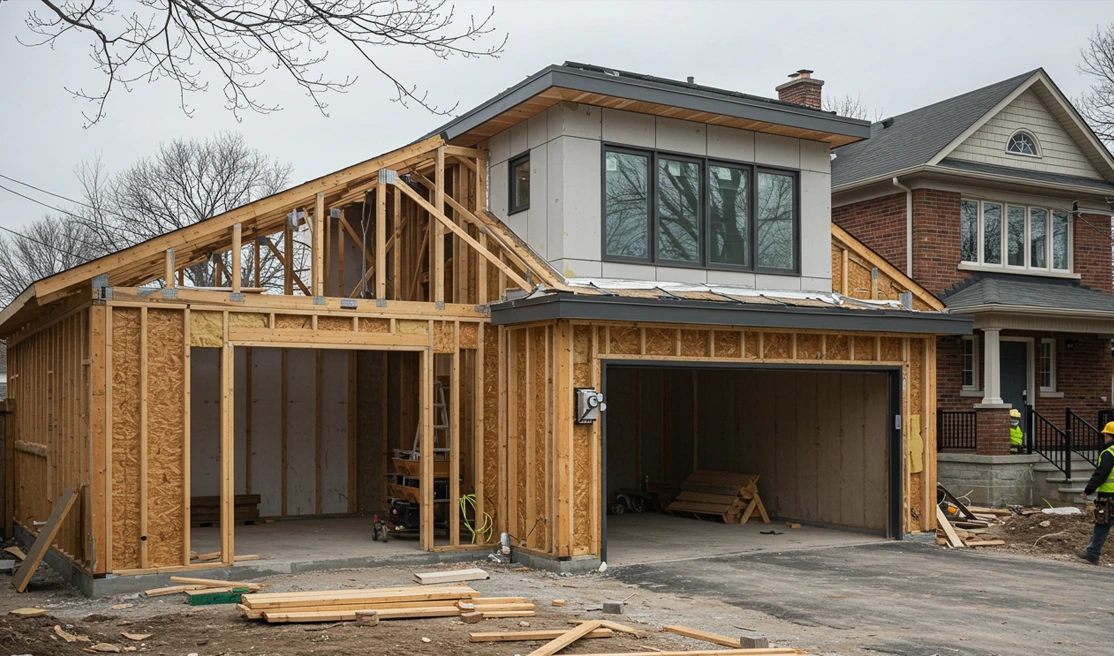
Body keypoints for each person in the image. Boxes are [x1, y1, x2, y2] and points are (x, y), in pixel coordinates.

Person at [1077, 421, 1114, 565]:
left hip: (1109, 495)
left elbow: (1101, 474)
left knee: (1102, 524)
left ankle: (1093, 553)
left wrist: (1088, 490)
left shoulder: (1109, 453)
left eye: (1106, 435)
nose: (1104, 437)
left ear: (1110, 436)